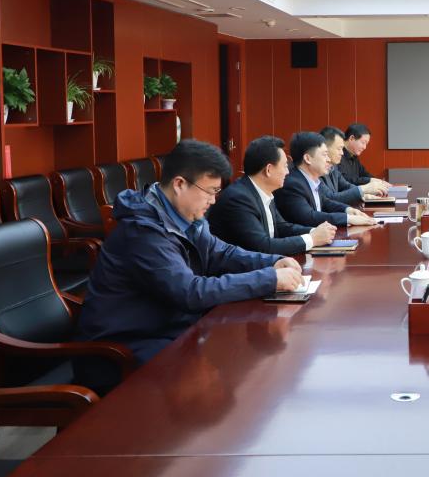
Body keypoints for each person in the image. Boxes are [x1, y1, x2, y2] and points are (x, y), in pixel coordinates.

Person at [76, 140, 304, 369]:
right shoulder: (143, 232)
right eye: (210, 191)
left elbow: (221, 253)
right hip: (125, 349)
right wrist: (269, 279)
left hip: (169, 331)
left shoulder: (186, 217)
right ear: (179, 184)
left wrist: (273, 262)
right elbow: (190, 292)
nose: (213, 200)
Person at [208, 135, 336, 254]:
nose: (287, 172)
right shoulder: (239, 198)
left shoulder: (264, 190)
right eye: (285, 166)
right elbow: (262, 246)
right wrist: (312, 239)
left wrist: (315, 231)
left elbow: (281, 227)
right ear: (268, 170)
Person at [274, 131, 378, 228]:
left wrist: (348, 210)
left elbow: (325, 202)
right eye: (324, 155)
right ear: (308, 158)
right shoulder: (292, 184)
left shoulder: (312, 179)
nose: (328, 159)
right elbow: (310, 217)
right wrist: (348, 219)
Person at [319, 126, 390, 205]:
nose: (342, 153)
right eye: (339, 149)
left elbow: (346, 185)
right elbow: (331, 198)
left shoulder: (334, 167)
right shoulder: (318, 171)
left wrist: (363, 195)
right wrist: (364, 189)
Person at [338, 123, 389, 187]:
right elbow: (343, 180)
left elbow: (364, 173)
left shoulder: (353, 155)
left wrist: (378, 181)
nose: (364, 147)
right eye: (363, 142)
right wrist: (369, 180)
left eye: (366, 144)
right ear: (351, 138)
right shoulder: (337, 155)